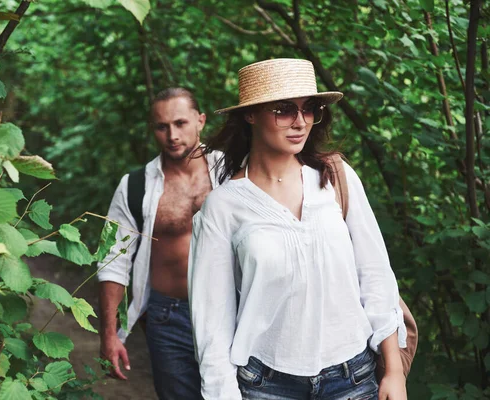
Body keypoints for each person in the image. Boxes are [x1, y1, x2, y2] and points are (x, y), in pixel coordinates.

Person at [188, 59, 408, 400]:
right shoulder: (224, 207)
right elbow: (212, 323)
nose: (300, 121)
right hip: (267, 385)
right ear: (250, 114)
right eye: (284, 110)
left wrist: (393, 370)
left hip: (353, 377)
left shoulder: (335, 178)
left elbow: (375, 274)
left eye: (309, 109)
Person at [97, 87, 222, 400]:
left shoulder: (233, 172)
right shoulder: (134, 186)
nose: (172, 135)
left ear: (201, 121)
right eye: (162, 126)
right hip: (168, 316)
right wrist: (109, 335)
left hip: (229, 310)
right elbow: (113, 260)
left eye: (180, 123)